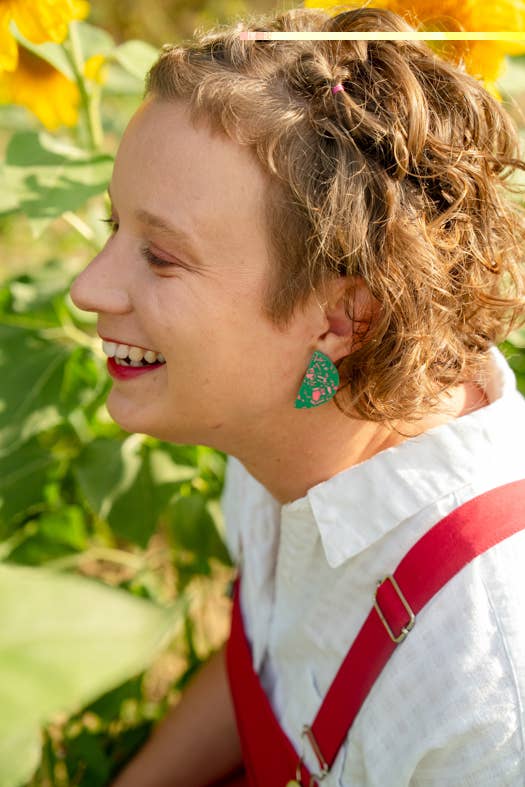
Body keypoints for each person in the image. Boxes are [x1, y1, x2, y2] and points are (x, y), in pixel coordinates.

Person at [69, 5, 525, 785]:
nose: (88, 287)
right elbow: (278, 659)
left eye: (162, 256)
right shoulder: (283, 428)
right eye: (114, 225)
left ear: (343, 317)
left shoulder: (484, 691)